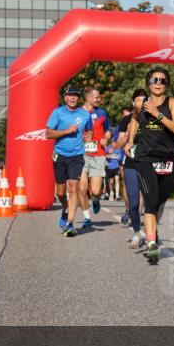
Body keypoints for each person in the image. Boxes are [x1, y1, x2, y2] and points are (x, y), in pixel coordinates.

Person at [128, 68, 174, 264]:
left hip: (167, 158)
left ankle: (152, 231)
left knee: (160, 200)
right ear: (148, 83)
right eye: (154, 79)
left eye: (162, 80)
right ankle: (151, 244)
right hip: (145, 158)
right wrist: (130, 140)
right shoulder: (141, 103)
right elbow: (134, 119)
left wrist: (158, 114)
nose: (158, 83)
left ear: (167, 83)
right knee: (150, 201)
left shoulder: (173, 102)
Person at [45, 87, 90, 237]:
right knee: (61, 192)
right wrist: (66, 131)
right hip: (60, 156)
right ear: (65, 98)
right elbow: (48, 133)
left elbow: (89, 131)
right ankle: (65, 209)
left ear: (78, 99)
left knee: (73, 187)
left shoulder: (85, 115)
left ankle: (70, 223)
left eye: (76, 96)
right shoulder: (58, 113)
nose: (73, 98)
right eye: (70, 95)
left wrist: (88, 137)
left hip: (77, 156)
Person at [78, 87, 112, 228]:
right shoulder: (78, 113)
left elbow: (108, 130)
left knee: (96, 190)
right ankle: (86, 218)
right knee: (82, 187)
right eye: (97, 97)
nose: (99, 99)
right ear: (88, 98)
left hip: (98, 154)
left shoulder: (102, 113)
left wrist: (107, 139)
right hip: (81, 154)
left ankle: (96, 200)